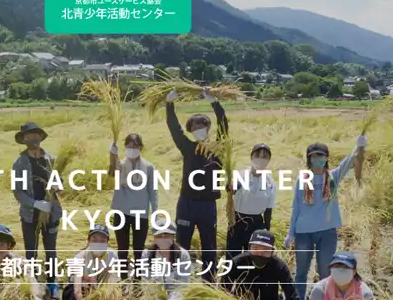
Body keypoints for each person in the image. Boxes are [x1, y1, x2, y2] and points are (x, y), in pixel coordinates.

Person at [284, 135, 368, 300]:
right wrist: (290, 233)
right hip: (304, 232)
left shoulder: (333, 177)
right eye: (314, 156)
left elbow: (349, 160)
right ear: (309, 159)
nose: (317, 159)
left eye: (321, 155)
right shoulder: (303, 179)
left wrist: (359, 145)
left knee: (325, 272)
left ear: (327, 157)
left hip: (327, 232)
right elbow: (296, 207)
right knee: (301, 272)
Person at [165, 87, 229, 282]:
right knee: (181, 243)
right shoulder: (187, 147)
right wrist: (169, 104)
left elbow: (224, 125)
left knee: (209, 245)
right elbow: (174, 128)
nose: (198, 129)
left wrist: (214, 103)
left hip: (208, 205)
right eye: (194, 127)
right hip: (187, 203)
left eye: (202, 126)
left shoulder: (217, 149)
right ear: (191, 131)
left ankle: (208, 282)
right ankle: (178, 281)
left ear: (208, 128)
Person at [221, 230, 304, 300]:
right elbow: (222, 291)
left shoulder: (279, 266)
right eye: (255, 248)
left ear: (272, 251)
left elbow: (294, 298)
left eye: (265, 250)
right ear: (249, 248)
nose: (260, 253)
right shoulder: (236, 263)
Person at [12, 122, 62, 300]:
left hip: (51, 213)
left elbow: (61, 184)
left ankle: (52, 283)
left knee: (51, 250)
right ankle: (32, 284)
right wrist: (35, 203)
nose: (33, 138)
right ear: (24, 139)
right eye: (28, 135)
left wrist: (58, 186)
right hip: (29, 215)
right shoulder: (19, 163)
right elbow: (18, 192)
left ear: (41, 137)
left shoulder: (52, 159)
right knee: (31, 251)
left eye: (36, 135)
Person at [108, 133, 158, 280]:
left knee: (138, 249)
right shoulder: (121, 165)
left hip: (140, 213)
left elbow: (152, 190)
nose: (132, 149)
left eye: (135, 146)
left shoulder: (148, 167)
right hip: (121, 212)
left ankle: (137, 281)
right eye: (129, 146)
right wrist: (112, 153)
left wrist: (155, 211)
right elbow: (112, 170)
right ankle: (123, 279)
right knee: (122, 249)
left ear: (141, 147)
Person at [137, 226, 192, 300]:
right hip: (154, 299)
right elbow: (147, 281)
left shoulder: (182, 255)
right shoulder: (147, 254)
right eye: (159, 236)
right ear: (154, 238)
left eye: (166, 235)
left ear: (173, 236)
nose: (163, 239)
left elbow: (183, 284)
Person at [226, 143, 275, 259]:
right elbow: (230, 189)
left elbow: (269, 208)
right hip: (237, 221)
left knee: (252, 258)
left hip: (256, 223)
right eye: (257, 155)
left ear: (269, 160)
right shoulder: (241, 175)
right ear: (251, 157)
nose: (261, 159)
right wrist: (230, 187)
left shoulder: (270, 181)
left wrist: (267, 228)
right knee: (232, 257)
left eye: (264, 157)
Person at [63, 225, 120, 300]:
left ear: (107, 241)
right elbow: (77, 287)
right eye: (94, 240)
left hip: (99, 289)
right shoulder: (81, 257)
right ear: (89, 241)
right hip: (82, 288)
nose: (98, 244)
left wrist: (109, 299)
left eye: (102, 240)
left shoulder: (112, 255)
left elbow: (113, 282)